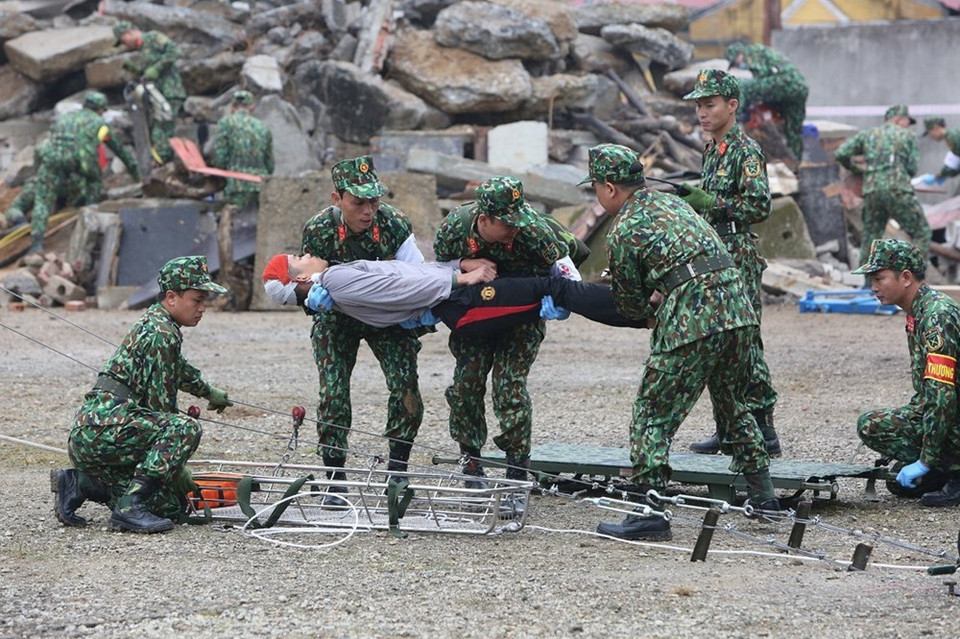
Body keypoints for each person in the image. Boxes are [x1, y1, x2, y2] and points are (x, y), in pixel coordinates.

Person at [583, 143, 776, 541]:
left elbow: (630, 304)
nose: (597, 196)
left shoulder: (624, 228)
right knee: (733, 403)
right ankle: (764, 496)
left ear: (610, 188)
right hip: (737, 309)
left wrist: (650, 305)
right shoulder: (676, 205)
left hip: (693, 317)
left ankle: (649, 511)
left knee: (652, 414)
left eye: (596, 188)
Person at [51, 256, 233, 533]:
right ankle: (129, 507)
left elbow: (178, 368)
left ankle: (80, 484)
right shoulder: (162, 334)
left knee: (167, 507)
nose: (202, 308)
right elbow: (163, 413)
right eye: (197, 300)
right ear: (171, 297)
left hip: (98, 434)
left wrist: (208, 391)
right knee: (185, 428)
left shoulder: (157, 322)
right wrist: (175, 467)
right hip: (104, 433)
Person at [433, 176, 580, 490]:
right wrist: (464, 263)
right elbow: (438, 267)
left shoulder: (535, 232)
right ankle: (471, 465)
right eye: (507, 223)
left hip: (521, 316)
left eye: (518, 219)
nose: (516, 228)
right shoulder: (455, 227)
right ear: (484, 219)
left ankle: (516, 476)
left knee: (509, 388)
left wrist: (563, 302)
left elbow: (565, 272)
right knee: (466, 385)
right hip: (476, 314)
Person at [300, 156, 438, 487]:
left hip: (387, 316)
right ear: (337, 199)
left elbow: (416, 275)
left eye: (374, 201)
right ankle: (335, 479)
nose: (368, 211)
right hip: (338, 317)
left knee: (406, 389)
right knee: (333, 394)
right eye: (358, 202)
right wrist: (311, 297)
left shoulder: (395, 225)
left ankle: (397, 471)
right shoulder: (319, 230)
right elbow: (304, 279)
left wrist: (419, 311)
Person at [679, 69, 781, 457]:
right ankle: (729, 426)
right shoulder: (713, 149)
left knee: (744, 339)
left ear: (732, 105)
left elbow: (759, 206)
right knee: (718, 342)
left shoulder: (745, 150)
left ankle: (763, 428)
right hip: (715, 251)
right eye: (698, 106)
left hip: (737, 252)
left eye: (709, 105)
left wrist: (712, 202)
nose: (702, 113)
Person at [261, 253, 649, 336]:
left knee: (556, 291)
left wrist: (457, 265)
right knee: (556, 288)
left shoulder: (336, 286)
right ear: (300, 278)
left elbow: (409, 274)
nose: (305, 253)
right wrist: (462, 279)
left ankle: (641, 314)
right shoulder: (335, 280)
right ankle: (642, 312)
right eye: (297, 258)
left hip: (458, 302)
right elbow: (402, 288)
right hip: (461, 303)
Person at [854, 239, 960, 506]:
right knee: (872, 426)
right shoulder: (919, 310)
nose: (873, 288)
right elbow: (928, 393)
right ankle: (941, 468)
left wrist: (925, 460)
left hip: (953, 408)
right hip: (950, 408)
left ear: (905, 278)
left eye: (879, 279)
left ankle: (956, 474)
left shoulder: (936, 316)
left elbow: (942, 395)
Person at [28, 91, 140, 254]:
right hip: (80, 160)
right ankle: (88, 221)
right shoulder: (99, 123)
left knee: (43, 200)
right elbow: (119, 149)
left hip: (53, 158)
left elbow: (49, 140)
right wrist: (136, 174)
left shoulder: (64, 118)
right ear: (100, 109)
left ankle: (36, 244)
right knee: (94, 183)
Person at [835, 104, 930, 272]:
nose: (908, 125)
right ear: (899, 119)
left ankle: (868, 282)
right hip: (898, 189)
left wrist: (857, 169)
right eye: (907, 122)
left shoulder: (868, 134)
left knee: (871, 236)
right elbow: (911, 168)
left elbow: (841, 153)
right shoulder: (908, 135)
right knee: (921, 232)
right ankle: (911, 275)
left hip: (871, 191)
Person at [114, 20, 186, 165]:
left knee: (161, 130)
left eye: (123, 41)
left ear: (129, 33)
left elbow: (175, 51)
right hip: (157, 95)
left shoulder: (153, 38)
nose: (125, 45)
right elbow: (148, 73)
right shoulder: (142, 49)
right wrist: (135, 69)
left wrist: (157, 68)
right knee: (156, 128)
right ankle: (164, 161)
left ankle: (164, 161)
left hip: (170, 91)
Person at [726, 42, 808, 161]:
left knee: (742, 86)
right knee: (793, 131)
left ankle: (734, 117)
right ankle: (796, 163)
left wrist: (749, 104)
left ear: (739, 54)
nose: (739, 65)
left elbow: (763, 75)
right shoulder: (763, 51)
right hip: (799, 89)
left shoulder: (751, 54)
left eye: (736, 63)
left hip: (785, 83)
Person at [211, 90, 274, 210]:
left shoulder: (226, 123)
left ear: (232, 107)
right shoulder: (263, 127)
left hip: (236, 185)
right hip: (259, 185)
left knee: (234, 217)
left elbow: (220, 157)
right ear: (252, 107)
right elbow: (270, 163)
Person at [917, 117, 960, 186]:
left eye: (930, 132)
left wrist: (939, 175)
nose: (931, 136)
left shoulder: (953, 137)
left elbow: (954, 165)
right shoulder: (952, 135)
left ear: (936, 127)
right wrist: (942, 174)